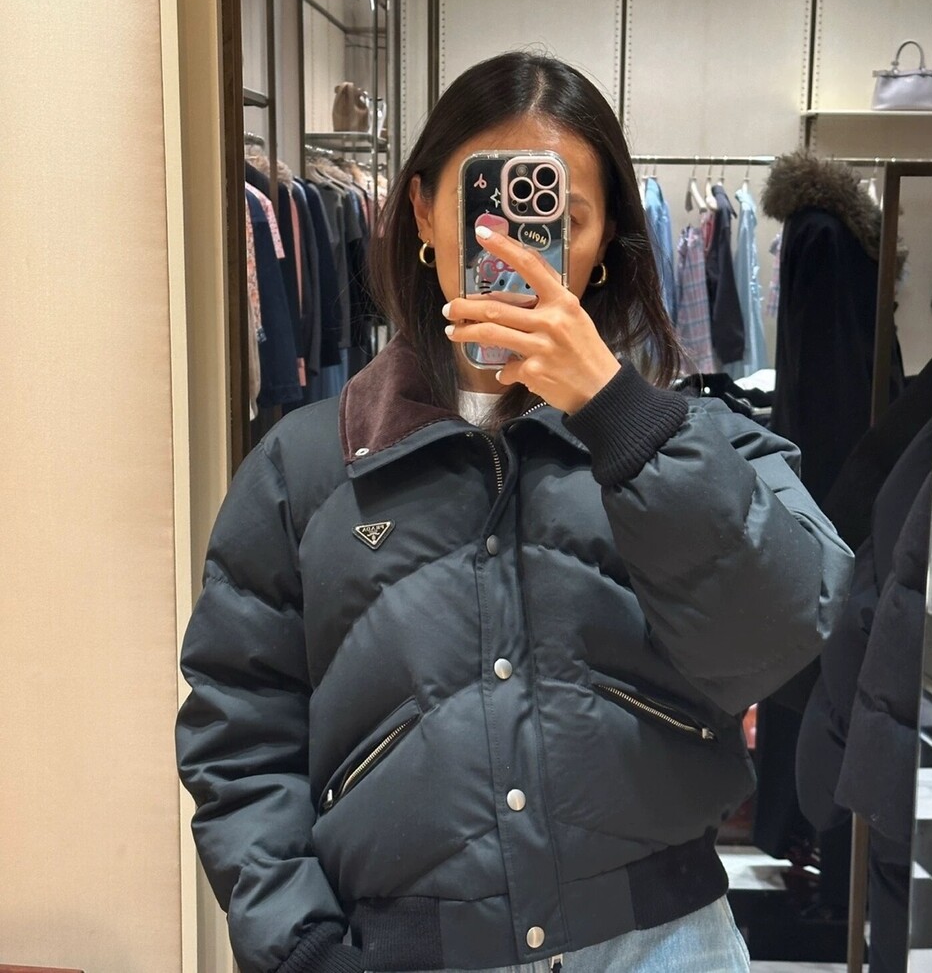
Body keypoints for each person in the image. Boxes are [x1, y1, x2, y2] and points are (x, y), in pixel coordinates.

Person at [176, 51, 853, 973]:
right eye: (482, 208)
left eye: (561, 218)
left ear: (608, 238)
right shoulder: (305, 470)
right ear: (423, 212)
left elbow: (782, 637)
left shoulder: (699, 443)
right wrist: (301, 947)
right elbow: (240, 735)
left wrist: (619, 418)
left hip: (665, 946)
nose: (516, 247)